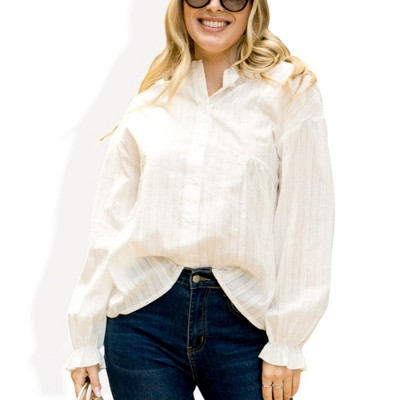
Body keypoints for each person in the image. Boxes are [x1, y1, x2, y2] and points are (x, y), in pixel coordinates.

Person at [66, 0, 335, 399]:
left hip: (245, 324)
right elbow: (111, 224)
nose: (214, 6)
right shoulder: (152, 98)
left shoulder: (289, 91)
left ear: (252, 7)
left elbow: (307, 221)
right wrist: (84, 337)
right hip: (143, 323)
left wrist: (287, 341)